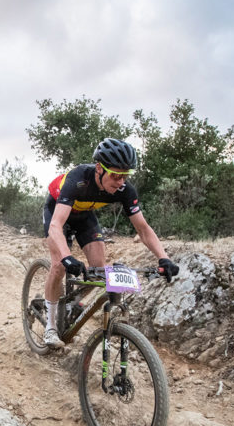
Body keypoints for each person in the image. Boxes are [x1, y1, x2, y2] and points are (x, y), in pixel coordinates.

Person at [41, 137, 180, 348]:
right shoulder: (77, 179)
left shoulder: (125, 190)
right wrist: (67, 257)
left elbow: (143, 228)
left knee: (97, 269)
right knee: (59, 265)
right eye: (116, 175)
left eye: (126, 176)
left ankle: (70, 303)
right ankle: (50, 327)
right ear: (99, 168)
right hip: (58, 213)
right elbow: (55, 226)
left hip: (85, 217)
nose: (120, 182)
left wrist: (164, 258)